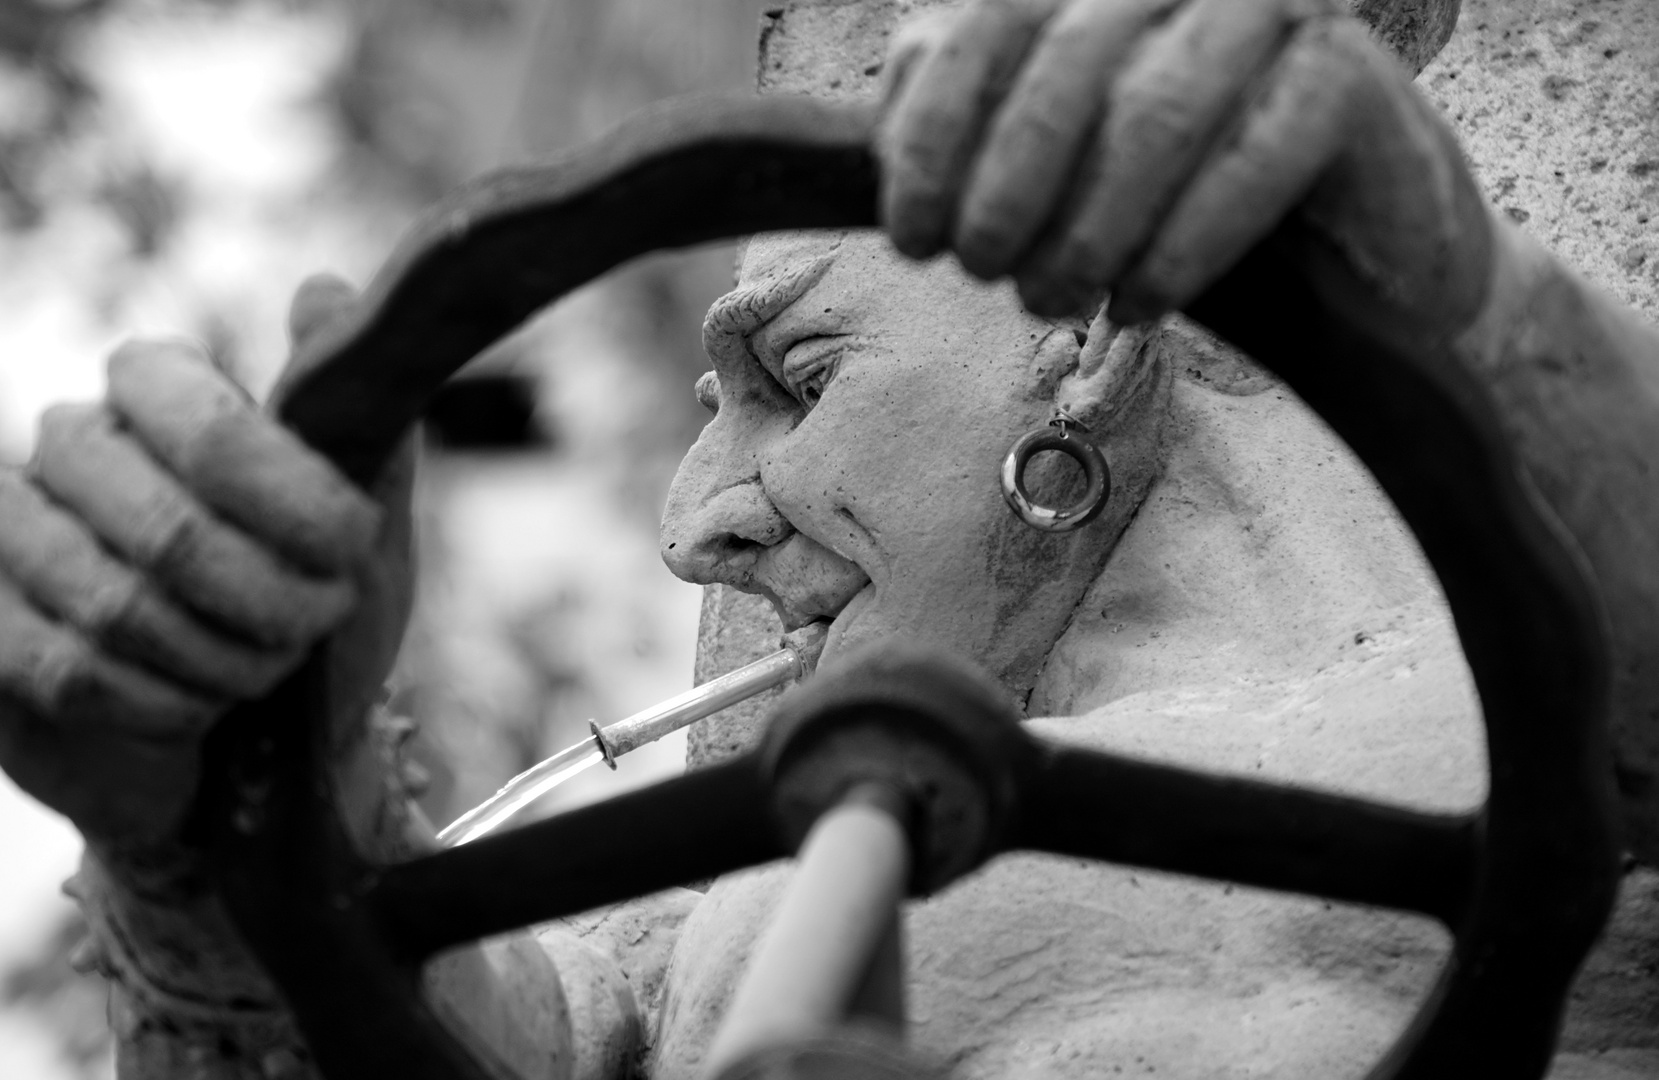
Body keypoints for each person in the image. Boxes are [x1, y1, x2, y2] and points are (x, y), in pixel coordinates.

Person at [3, 0, 1658, 1077]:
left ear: (1087, 333)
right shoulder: (666, 927)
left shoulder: (1544, 707)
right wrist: (224, 802)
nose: (691, 527)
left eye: (796, 380)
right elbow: (374, 1025)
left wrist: (1467, 305)